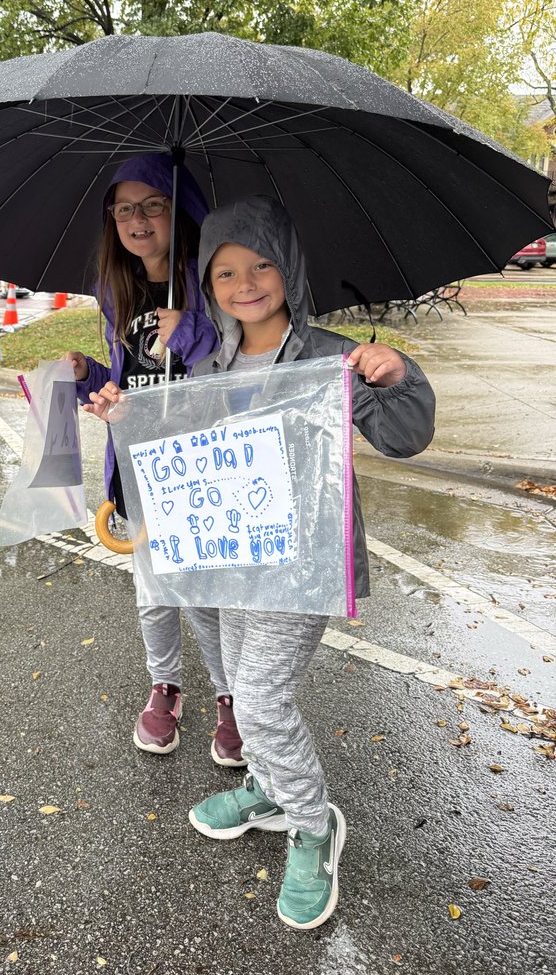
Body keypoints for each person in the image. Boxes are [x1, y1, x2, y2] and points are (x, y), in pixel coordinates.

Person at [86, 195, 436, 930]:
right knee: (240, 684)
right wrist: (126, 410)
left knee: (257, 701)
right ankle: (270, 789)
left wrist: (395, 372)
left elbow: (404, 435)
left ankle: (312, 826)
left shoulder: (328, 357)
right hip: (234, 564)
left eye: (261, 264)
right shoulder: (206, 362)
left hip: (301, 565)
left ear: (289, 266)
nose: (244, 283)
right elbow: (175, 442)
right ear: (206, 284)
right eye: (224, 273)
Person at [65, 153, 245, 767]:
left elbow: (234, 358)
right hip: (138, 458)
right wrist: (88, 377)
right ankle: (164, 683)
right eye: (125, 210)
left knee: (200, 586)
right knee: (154, 589)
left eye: (154, 205)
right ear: (111, 221)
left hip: (196, 460)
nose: (138, 220)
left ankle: (231, 695)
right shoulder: (113, 286)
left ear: (179, 210)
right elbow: (123, 375)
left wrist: (190, 329)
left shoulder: (207, 276)